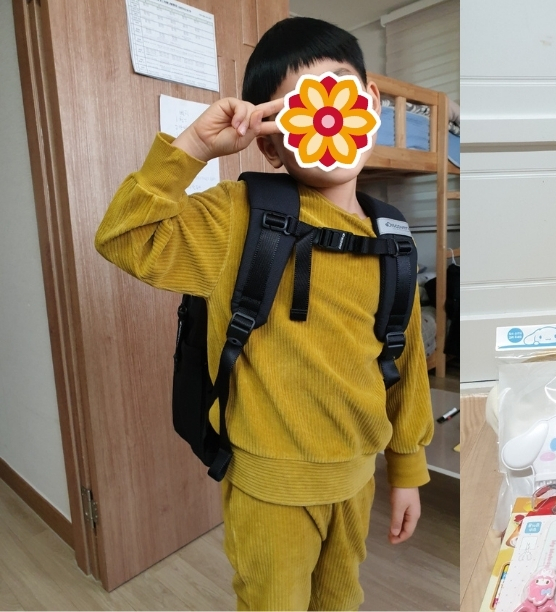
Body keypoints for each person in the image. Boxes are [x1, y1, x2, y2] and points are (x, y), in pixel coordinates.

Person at [95, 17, 433, 610]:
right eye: (298, 109)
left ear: (369, 104)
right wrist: (194, 147)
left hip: (356, 480)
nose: (327, 118)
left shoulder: (396, 241)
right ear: (271, 142)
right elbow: (124, 237)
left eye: (339, 93)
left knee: (340, 599)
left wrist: (405, 468)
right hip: (269, 489)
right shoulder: (237, 218)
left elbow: (406, 363)